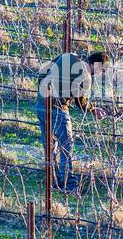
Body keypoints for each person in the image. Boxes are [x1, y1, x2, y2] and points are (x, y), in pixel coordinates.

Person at [36, 51, 109, 191]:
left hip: (40, 103)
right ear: (96, 65)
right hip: (58, 108)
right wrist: (93, 110)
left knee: (49, 145)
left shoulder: (68, 56)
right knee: (66, 146)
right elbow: (80, 100)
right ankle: (68, 184)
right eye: (102, 69)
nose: (101, 73)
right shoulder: (86, 77)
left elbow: (45, 69)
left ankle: (52, 179)